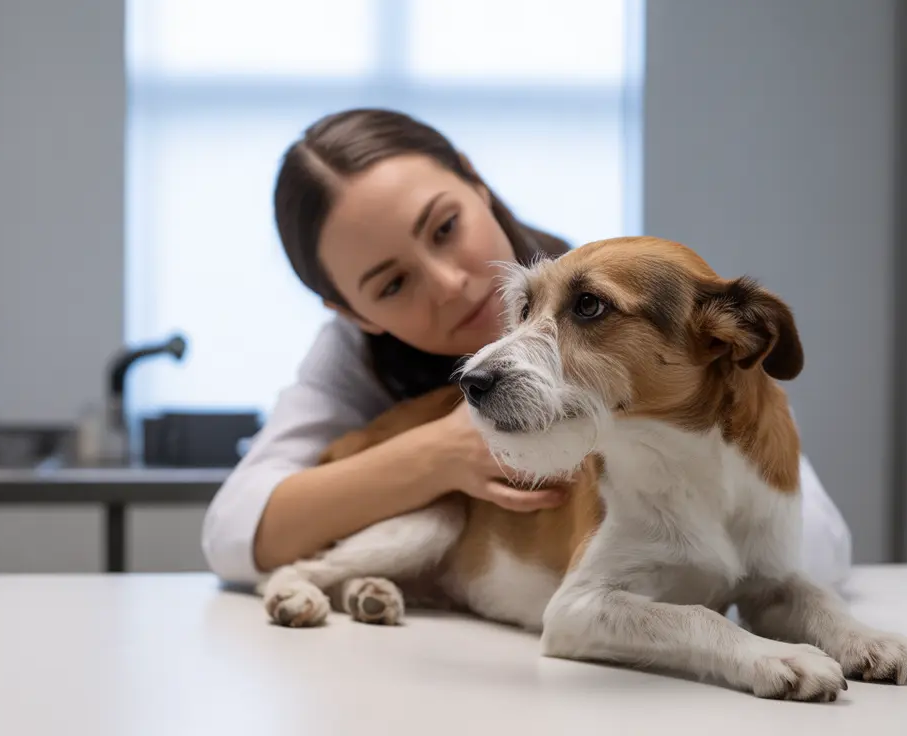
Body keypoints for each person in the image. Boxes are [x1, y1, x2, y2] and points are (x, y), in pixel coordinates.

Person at [201, 108, 853, 589]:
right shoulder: (348, 357)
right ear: (351, 312)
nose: (453, 284)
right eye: (393, 283)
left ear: (476, 182)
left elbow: (817, 547)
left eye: (446, 226)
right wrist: (440, 454)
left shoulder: (617, 299)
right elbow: (232, 532)